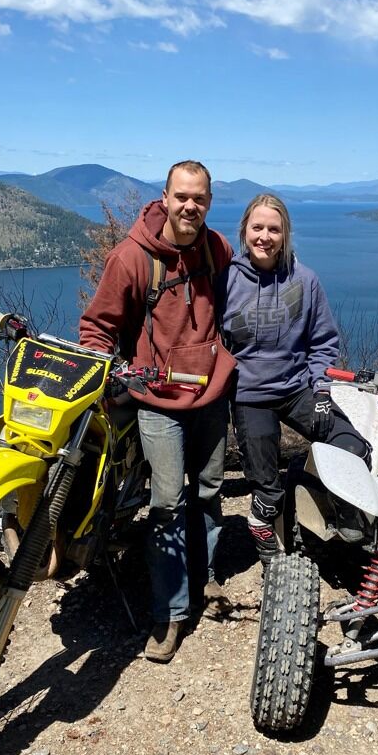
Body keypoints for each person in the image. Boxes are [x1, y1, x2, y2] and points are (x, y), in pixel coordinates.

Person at [79, 161, 235, 662]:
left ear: (209, 201)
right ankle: (169, 613)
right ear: (165, 197)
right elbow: (97, 326)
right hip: (158, 400)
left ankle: (205, 577)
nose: (191, 206)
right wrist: (110, 375)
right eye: (182, 197)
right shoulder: (132, 257)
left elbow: (239, 299)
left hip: (210, 395)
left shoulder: (216, 250)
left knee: (210, 493)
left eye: (200, 198)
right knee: (167, 502)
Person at [219, 193, 371, 565]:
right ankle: (263, 525)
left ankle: (330, 508)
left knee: (353, 447)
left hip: (297, 389)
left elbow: (323, 341)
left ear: (285, 234)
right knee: (266, 488)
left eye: (274, 229)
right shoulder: (225, 280)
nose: (265, 237)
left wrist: (320, 387)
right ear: (244, 231)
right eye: (258, 228)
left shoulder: (305, 280)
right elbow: (210, 338)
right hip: (249, 395)